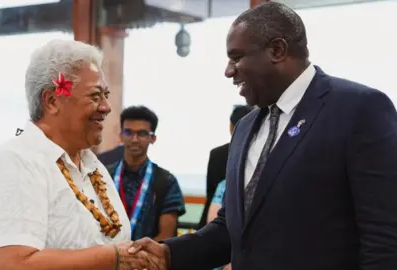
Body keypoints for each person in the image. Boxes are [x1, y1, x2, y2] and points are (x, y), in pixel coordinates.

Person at [128, 2, 397, 270]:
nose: (228, 71)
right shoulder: (245, 128)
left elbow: (384, 237)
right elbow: (233, 230)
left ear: (277, 50)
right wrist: (167, 254)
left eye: (236, 57)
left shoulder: (359, 109)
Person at [0, 40, 163, 270]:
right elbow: (7, 264)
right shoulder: (14, 164)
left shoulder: (93, 168)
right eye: (95, 96)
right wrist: (112, 257)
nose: (106, 107)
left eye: (106, 95)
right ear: (52, 101)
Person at [106, 106, 186, 241]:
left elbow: (166, 237)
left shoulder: (166, 181)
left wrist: (135, 257)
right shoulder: (104, 175)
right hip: (105, 257)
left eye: (142, 133)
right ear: (120, 136)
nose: (134, 139)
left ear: (153, 138)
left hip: (147, 259)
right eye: (128, 132)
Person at [198, 105, 252, 229]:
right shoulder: (257, 152)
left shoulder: (217, 154)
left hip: (212, 220)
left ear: (231, 126)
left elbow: (210, 191)